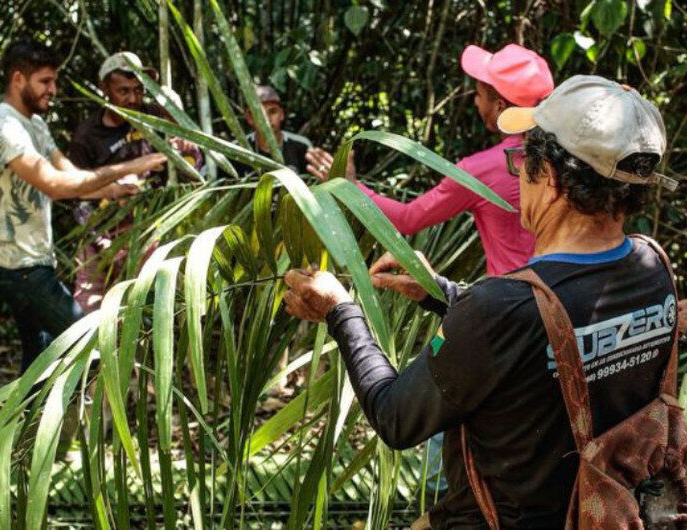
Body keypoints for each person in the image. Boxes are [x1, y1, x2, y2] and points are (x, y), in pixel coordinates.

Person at [283, 75, 678, 527]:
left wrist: (340, 311)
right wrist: (442, 293)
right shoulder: (653, 268)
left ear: (547, 178)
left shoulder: (501, 308)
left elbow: (395, 417)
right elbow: (542, 333)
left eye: (520, 162)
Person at [0, 39, 166, 373]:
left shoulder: (34, 124)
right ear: (18, 79)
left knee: (42, 359)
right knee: (92, 344)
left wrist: (117, 189)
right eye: (45, 81)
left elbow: (73, 178)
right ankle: (93, 421)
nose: (53, 89)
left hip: (31, 264)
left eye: (54, 81)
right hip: (18, 269)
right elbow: (57, 186)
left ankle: (27, 424)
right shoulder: (2, 128)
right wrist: (130, 167)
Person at [306, 43, 555, 276]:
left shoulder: (479, 172)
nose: (476, 101)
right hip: (572, 299)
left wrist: (351, 186)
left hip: (512, 303)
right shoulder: (570, 157)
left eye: (479, 95)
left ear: (499, 106)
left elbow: (408, 219)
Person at [68, 51, 203, 312]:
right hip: (101, 237)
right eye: (123, 91)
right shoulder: (87, 136)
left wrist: (184, 143)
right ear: (104, 88)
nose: (133, 99)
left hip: (150, 234)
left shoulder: (156, 117)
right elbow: (76, 195)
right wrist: (102, 241)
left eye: (138, 91)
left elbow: (194, 167)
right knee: (91, 316)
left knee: (149, 313)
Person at [234, 84, 312, 175]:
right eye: (260, 113)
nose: (267, 119)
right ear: (250, 118)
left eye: (272, 112)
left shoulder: (302, 146)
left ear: (282, 115)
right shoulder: (237, 150)